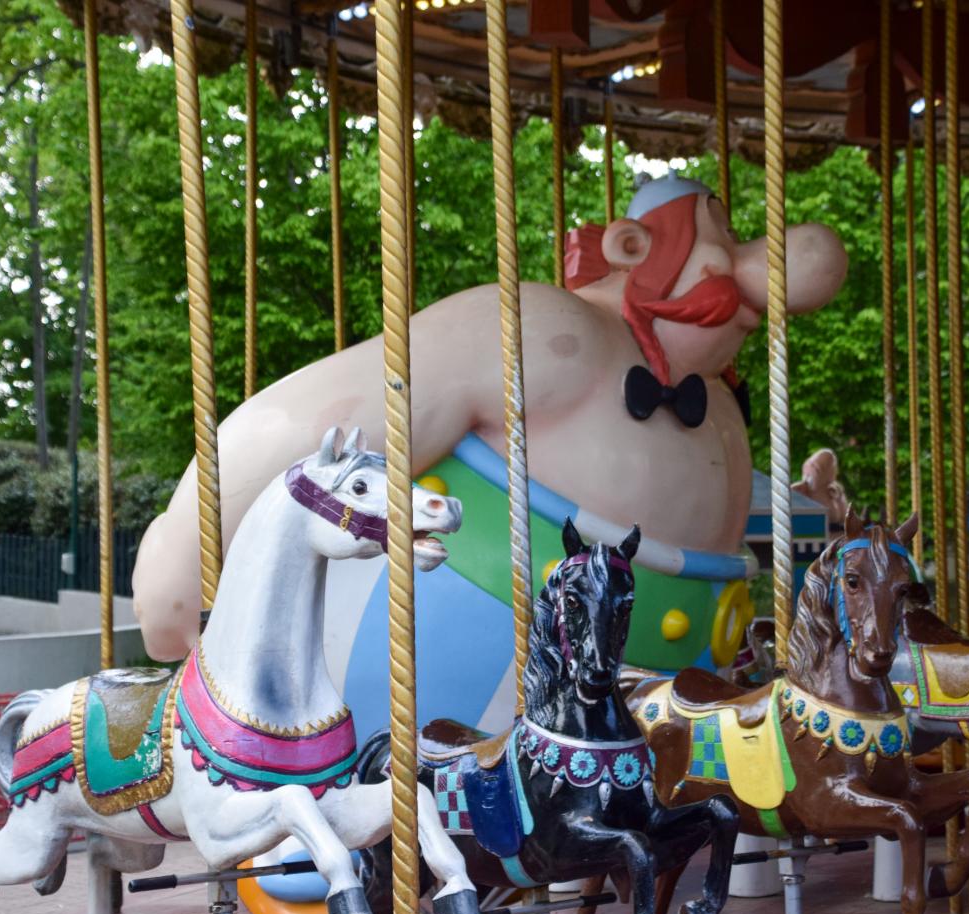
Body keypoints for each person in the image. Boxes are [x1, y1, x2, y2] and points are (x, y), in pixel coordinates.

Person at [132, 173, 846, 728]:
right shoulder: (545, 329)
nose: (755, 272)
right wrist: (183, 556)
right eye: (724, 243)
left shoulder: (719, 399)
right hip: (448, 684)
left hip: (661, 687)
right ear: (632, 248)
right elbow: (332, 413)